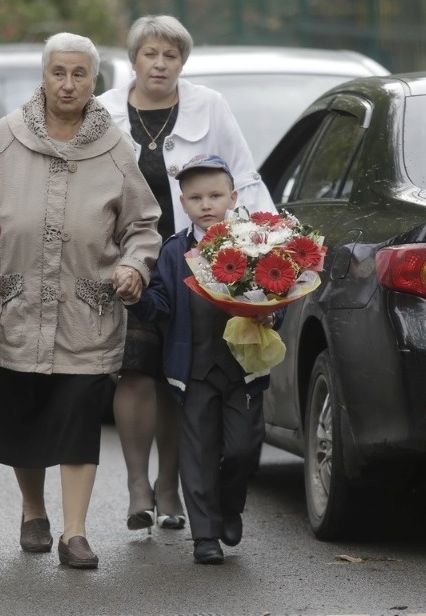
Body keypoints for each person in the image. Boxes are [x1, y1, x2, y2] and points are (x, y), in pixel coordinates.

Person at [0, 32, 162, 570]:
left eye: (79, 74)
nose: (68, 83)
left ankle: (75, 533)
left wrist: (133, 266)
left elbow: (143, 225)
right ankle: (33, 511)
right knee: (25, 418)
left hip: (87, 310)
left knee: (79, 418)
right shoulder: (2, 140)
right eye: (58, 72)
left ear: (94, 81)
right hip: (14, 306)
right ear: (44, 76)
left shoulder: (115, 148)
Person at [98, 14, 275, 535]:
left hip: (192, 265)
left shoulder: (209, 105)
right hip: (126, 261)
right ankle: (137, 485)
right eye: (150, 54)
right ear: (134, 59)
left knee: (177, 376)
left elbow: (243, 175)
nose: (160, 64)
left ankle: (171, 485)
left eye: (170, 55)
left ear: (182, 61)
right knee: (134, 371)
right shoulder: (104, 111)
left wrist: (262, 246)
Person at [124, 154, 278, 564]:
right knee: (198, 453)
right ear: (182, 201)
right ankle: (204, 536)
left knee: (243, 449)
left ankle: (230, 505)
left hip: (244, 366)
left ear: (233, 196)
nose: (206, 205)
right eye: (195, 198)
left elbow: (276, 293)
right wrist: (137, 298)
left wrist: (272, 313)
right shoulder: (174, 252)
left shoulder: (255, 243)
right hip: (192, 370)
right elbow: (160, 305)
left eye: (214, 196)